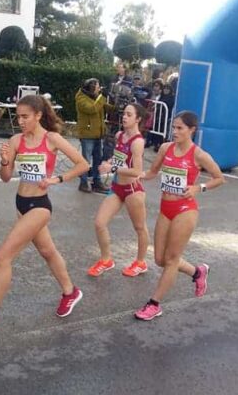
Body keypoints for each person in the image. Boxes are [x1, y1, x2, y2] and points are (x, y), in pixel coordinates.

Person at [0, 95, 90, 332]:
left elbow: (83, 164)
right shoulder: (15, 141)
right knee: (47, 251)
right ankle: (70, 291)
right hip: (21, 203)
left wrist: (57, 179)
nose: (20, 121)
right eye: (18, 116)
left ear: (38, 116)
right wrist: (4, 162)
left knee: (3, 257)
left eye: (25, 116)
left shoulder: (52, 139)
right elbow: (5, 178)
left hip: (40, 206)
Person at [133, 111, 225, 321]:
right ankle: (197, 272)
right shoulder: (166, 148)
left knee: (172, 259)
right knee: (160, 259)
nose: (174, 131)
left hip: (186, 210)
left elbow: (219, 178)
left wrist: (198, 187)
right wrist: (135, 175)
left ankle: (154, 304)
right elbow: (152, 172)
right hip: (166, 207)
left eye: (179, 128)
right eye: (173, 127)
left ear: (192, 130)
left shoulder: (198, 154)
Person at [88, 103, 150, 278]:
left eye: (129, 115)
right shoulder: (119, 135)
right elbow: (118, 158)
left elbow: (137, 171)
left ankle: (140, 262)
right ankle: (106, 260)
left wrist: (112, 169)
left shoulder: (137, 142)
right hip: (117, 187)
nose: (124, 117)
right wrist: (109, 162)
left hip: (132, 190)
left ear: (138, 119)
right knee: (100, 223)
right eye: (124, 113)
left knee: (139, 228)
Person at [75, 78, 112, 193]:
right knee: (85, 161)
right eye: (97, 86)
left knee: (98, 159)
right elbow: (92, 109)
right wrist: (101, 97)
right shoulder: (81, 98)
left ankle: (97, 182)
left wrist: (117, 104)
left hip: (98, 133)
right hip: (87, 134)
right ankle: (83, 183)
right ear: (90, 87)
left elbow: (105, 107)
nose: (99, 88)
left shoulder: (96, 97)